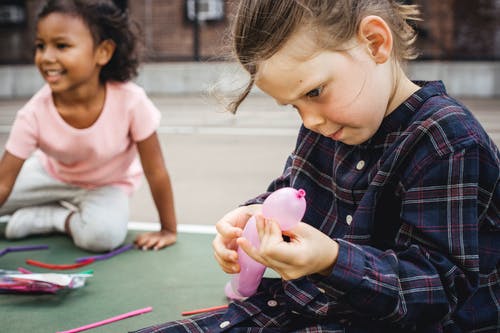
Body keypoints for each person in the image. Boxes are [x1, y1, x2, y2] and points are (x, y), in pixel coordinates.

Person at [134, 0, 499, 332]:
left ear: (374, 42)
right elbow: (291, 190)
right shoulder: (330, 124)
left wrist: (331, 260)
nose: (308, 120)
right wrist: (254, 215)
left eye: (313, 93)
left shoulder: (447, 141)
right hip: (311, 305)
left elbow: (437, 292)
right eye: (293, 106)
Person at [0, 0, 178, 252]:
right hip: (49, 175)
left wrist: (168, 229)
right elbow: (3, 184)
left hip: (107, 185)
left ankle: (52, 217)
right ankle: (45, 207)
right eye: (41, 46)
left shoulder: (131, 101)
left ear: (102, 52)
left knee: (102, 236)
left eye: (61, 45)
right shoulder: (32, 113)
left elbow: (156, 170)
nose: (46, 57)